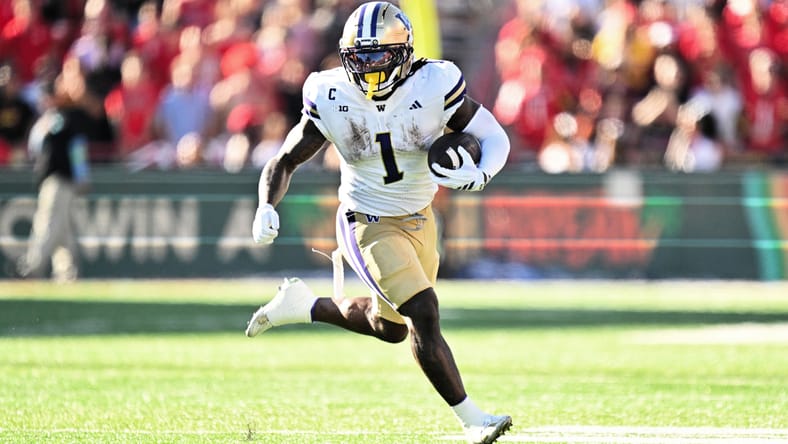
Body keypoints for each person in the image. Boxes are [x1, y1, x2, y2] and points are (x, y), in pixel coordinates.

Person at [244, 3, 512, 443]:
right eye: (359, 56)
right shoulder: (330, 93)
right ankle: (472, 419)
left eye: (377, 55)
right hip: (364, 219)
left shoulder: (434, 82)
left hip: (420, 217)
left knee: (389, 328)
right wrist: (266, 204)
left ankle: (304, 306)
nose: (367, 66)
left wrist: (480, 173)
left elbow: (493, 135)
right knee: (423, 312)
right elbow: (285, 158)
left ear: (403, 52)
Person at [14, 63, 94, 282]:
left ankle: (33, 265)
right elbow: (33, 148)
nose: (46, 100)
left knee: (47, 223)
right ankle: (67, 270)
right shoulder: (46, 121)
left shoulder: (65, 119)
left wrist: (82, 176)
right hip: (52, 178)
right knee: (63, 227)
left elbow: (77, 150)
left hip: (59, 179)